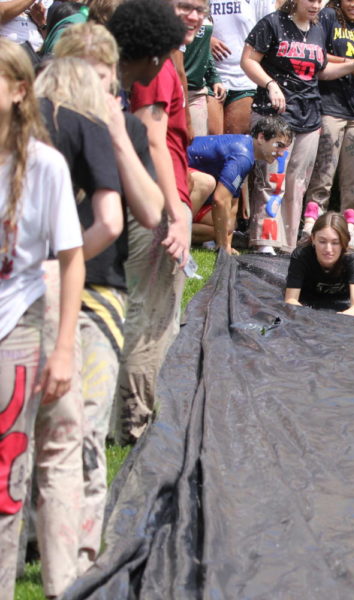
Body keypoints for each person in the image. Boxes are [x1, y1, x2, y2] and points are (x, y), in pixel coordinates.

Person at [52, 20, 165, 575]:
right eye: (85, 78)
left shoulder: (123, 128)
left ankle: (80, 551)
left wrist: (120, 134)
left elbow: (147, 210)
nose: (95, 90)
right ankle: (39, 535)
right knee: (40, 422)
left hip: (98, 288)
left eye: (104, 79)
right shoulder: (39, 126)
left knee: (88, 425)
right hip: (34, 290)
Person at [34, 55, 123, 597]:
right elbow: (114, 220)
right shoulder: (92, 126)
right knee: (67, 442)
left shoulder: (25, 135)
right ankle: (68, 570)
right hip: (79, 288)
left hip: (28, 288)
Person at [0, 38, 84, 599]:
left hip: (16, 330)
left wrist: (61, 350)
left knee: (6, 487)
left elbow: (71, 258)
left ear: (19, 91)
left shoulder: (45, 166)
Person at [106, 0, 189, 443]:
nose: (193, 17)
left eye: (199, 9)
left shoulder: (154, 66)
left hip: (157, 198)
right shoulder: (155, 70)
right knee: (149, 315)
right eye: (186, 9)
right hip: (156, 202)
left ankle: (129, 414)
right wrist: (175, 213)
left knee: (151, 311)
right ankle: (131, 423)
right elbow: (151, 140)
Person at [241, 0, 354, 255]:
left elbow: (322, 70)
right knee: (273, 179)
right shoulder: (272, 23)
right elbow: (248, 60)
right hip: (276, 115)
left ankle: (288, 245)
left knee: (298, 184)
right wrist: (271, 84)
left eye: (319, 0)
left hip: (309, 115)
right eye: (311, 0)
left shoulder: (316, 29)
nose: (316, 5)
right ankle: (266, 241)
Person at [304, 0, 354, 250]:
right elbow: (318, 54)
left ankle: (350, 240)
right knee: (323, 177)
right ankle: (311, 235)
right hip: (329, 106)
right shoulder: (327, 17)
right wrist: (350, 62)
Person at [188, 116, 293, 254]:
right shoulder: (243, 156)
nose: (281, 154)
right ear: (261, 138)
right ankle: (172, 233)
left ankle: (172, 231)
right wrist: (223, 245)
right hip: (170, 180)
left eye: (285, 149)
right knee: (206, 183)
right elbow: (220, 200)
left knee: (224, 227)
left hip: (185, 188)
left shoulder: (247, 151)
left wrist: (227, 244)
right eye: (278, 145)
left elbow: (232, 203)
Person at [207, 0, 274, 136]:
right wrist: (206, 39)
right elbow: (186, 22)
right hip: (209, 76)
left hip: (243, 79)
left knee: (235, 142)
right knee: (209, 142)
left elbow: (270, 31)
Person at [284, 211, 354, 315]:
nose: (328, 249)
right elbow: (290, 300)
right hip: (307, 299)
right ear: (313, 239)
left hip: (341, 301)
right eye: (322, 241)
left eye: (335, 243)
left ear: (344, 242)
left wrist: (338, 320)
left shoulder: (353, 259)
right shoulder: (301, 256)